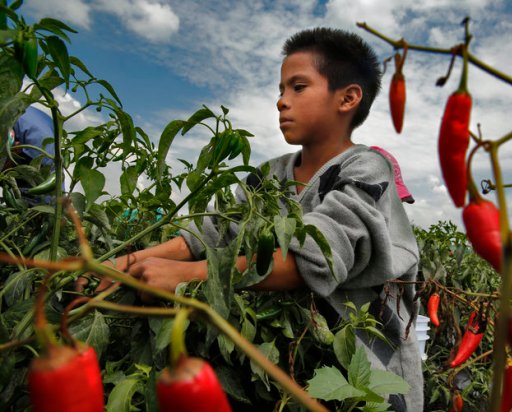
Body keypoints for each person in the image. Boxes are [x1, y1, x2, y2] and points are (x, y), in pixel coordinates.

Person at [87, 27, 423, 410]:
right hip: (286, 375)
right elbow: (210, 232)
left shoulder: (366, 168)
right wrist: (118, 265)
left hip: (368, 384)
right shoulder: (269, 176)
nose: (282, 102)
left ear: (347, 98)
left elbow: (317, 255)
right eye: (280, 91)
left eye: (298, 87)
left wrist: (192, 275)